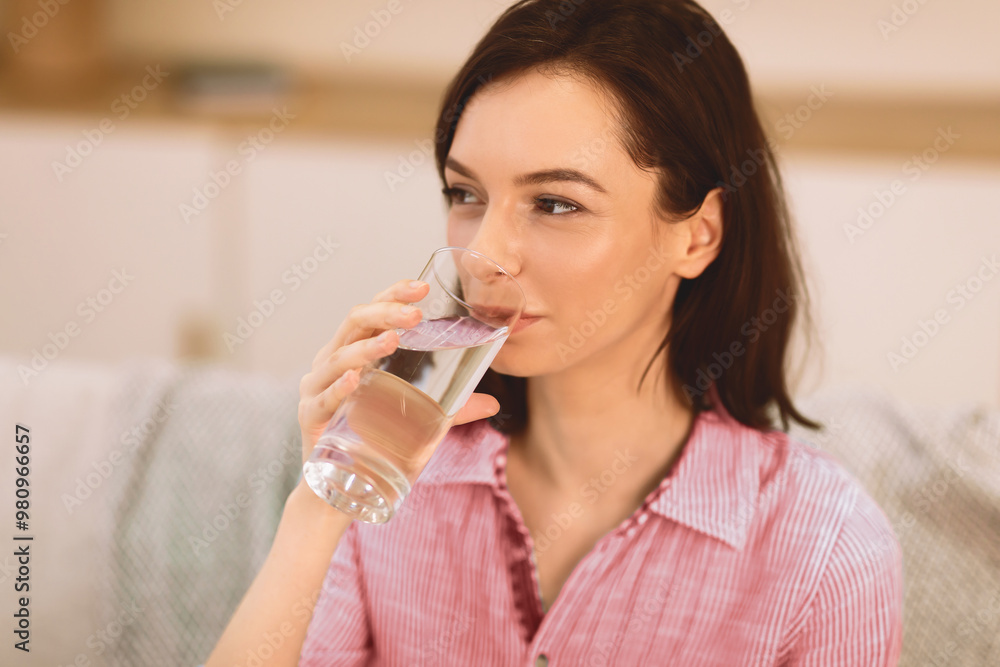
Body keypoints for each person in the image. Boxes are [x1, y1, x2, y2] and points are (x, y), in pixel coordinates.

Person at [206, 0, 903, 664]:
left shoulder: (827, 551)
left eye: (556, 203)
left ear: (698, 235)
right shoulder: (390, 471)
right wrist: (319, 506)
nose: (486, 253)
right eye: (465, 194)